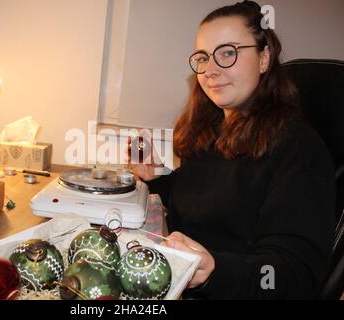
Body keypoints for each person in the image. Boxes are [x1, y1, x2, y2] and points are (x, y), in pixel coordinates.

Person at [128, 0, 336, 299]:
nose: (210, 70)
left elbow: (293, 274)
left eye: (228, 53)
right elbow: (207, 206)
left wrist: (216, 270)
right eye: (203, 57)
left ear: (264, 58)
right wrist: (157, 177)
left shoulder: (298, 147)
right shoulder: (208, 132)